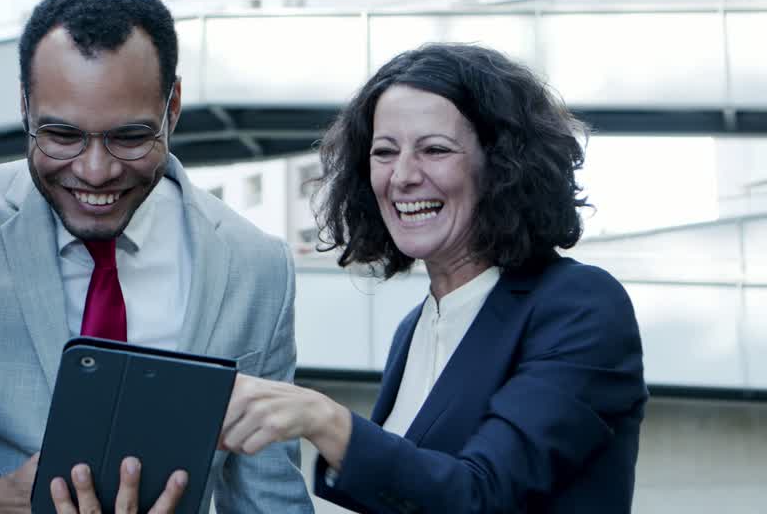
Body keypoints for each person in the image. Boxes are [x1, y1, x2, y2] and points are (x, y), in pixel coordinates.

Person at [0, 0, 313, 513]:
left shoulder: (257, 268)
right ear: (25, 107)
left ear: (173, 107)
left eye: (129, 137)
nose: (95, 171)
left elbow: (269, 497)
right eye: (63, 136)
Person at [218, 43, 649, 513]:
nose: (402, 176)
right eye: (384, 152)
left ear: (502, 165)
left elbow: (481, 497)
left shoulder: (580, 305)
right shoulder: (414, 328)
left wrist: (325, 420)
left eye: (435, 150)